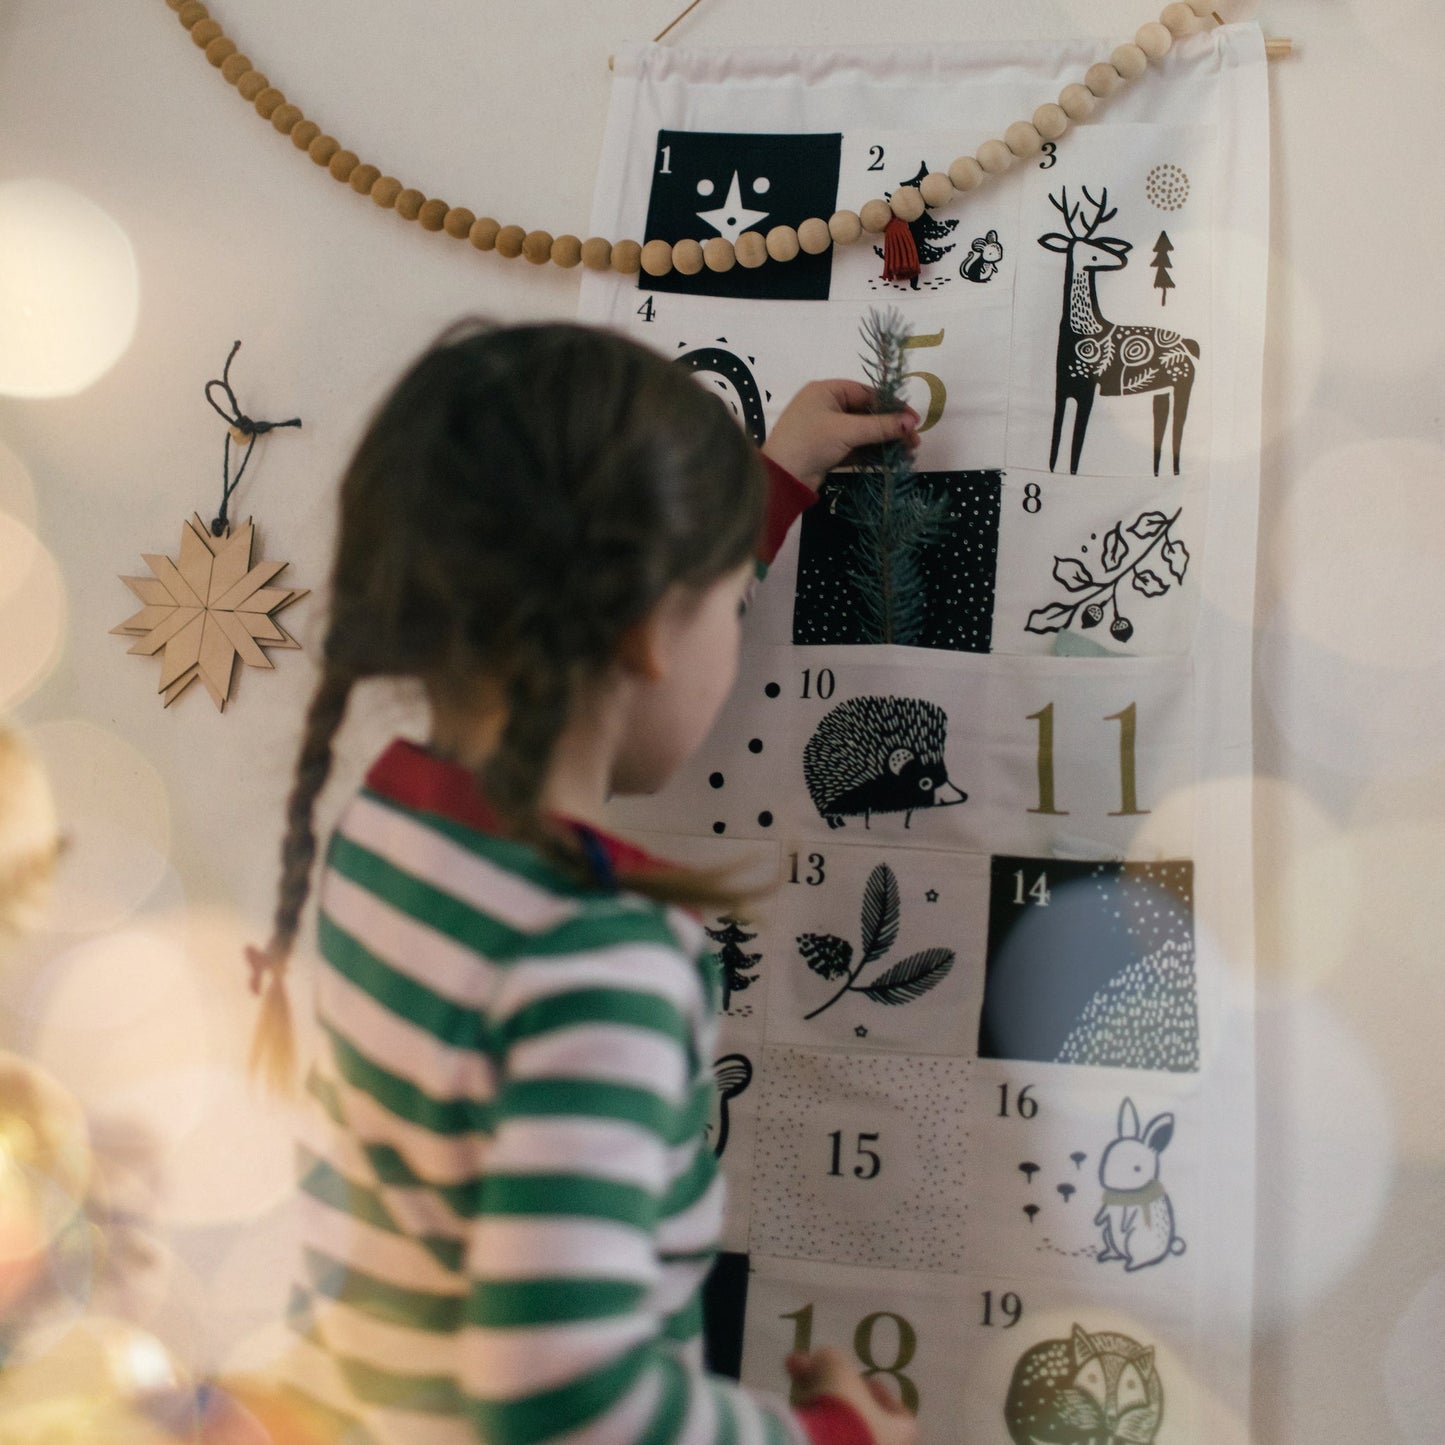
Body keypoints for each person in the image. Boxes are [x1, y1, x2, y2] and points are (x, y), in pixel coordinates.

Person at [246, 320, 921, 1445]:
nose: (729, 632)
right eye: (723, 602)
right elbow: (570, 1401)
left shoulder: (387, 820)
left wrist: (766, 486)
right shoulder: (597, 957)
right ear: (648, 624)